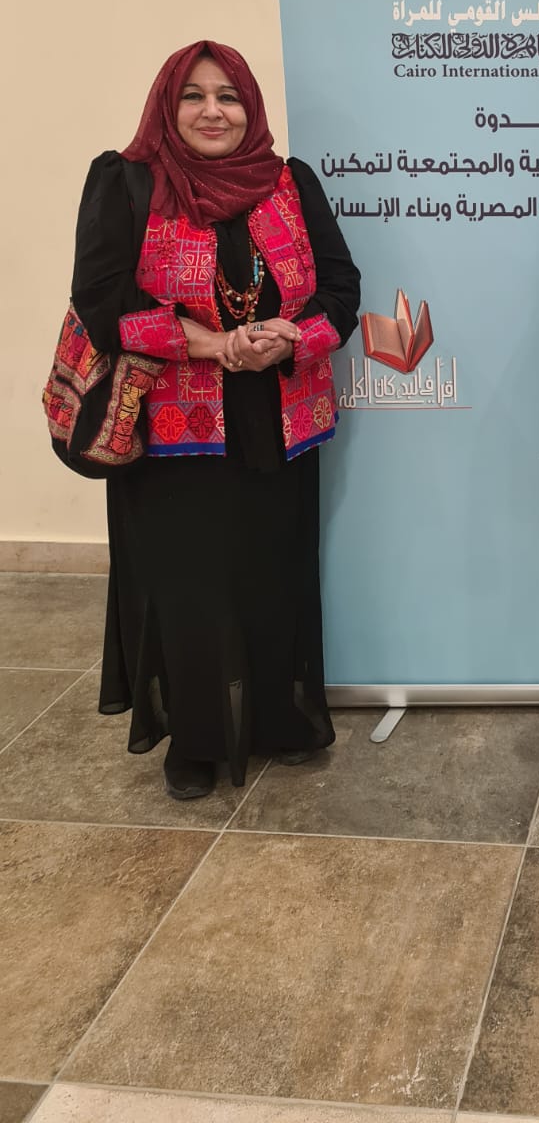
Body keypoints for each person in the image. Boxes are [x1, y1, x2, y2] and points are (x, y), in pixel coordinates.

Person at [70, 40, 361, 799]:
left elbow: (340, 290)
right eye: (193, 96)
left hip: (279, 418)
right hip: (172, 433)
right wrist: (212, 345)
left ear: (250, 107)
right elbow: (101, 305)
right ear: (167, 107)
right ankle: (196, 744)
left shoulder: (291, 182)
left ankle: (277, 719)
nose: (212, 111)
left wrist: (290, 340)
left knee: (273, 572)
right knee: (189, 585)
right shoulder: (128, 182)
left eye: (228, 96)